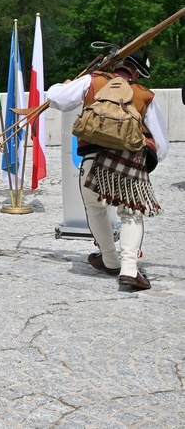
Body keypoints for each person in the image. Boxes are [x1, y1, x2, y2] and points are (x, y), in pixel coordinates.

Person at [46, 52, 169, 290]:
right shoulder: (145, 94)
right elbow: (161, 146)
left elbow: (55, 98)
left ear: (116, 65)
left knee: (95, 208)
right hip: (130, 160)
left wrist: (67, 85)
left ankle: (110, 259)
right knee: (131, 213)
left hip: (93, 160)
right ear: (138, 72)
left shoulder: (94, 80)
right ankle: (129, 269)